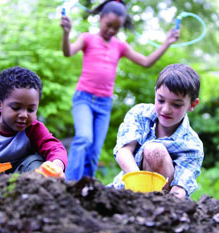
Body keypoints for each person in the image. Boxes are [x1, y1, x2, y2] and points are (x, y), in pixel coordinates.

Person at [60, 0, 180, 181]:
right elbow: (68, 52)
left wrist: (167, 43)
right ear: (100, 19)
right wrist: (66, 33)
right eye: (108, 25)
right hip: (84, 98)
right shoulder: (87, 38)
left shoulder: (119, 46)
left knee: (94, 151)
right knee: (84, 139)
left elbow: (146, 62)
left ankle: (85, 188)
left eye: (116, 28)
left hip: (104, 103)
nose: (111, 30)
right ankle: (67, 184)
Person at [110, 63, 204, 199]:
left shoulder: (192, 145)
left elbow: (180, 188)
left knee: (154, 151)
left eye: (176, 104)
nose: (166, 109)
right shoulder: (140, 114)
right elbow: (123, 151)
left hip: (162, 201)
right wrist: (138, 183)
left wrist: (169, 207)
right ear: (155, 93)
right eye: (161, 100)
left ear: (192, 104)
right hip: (127, 192)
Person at [0, 66, 68, 179]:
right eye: (16, 107)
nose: (24, 115)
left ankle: (34, 187)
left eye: (31, 110)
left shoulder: (33, 128)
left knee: (37, 162)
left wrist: (56, 166)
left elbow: (55, 148)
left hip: (21, 176)